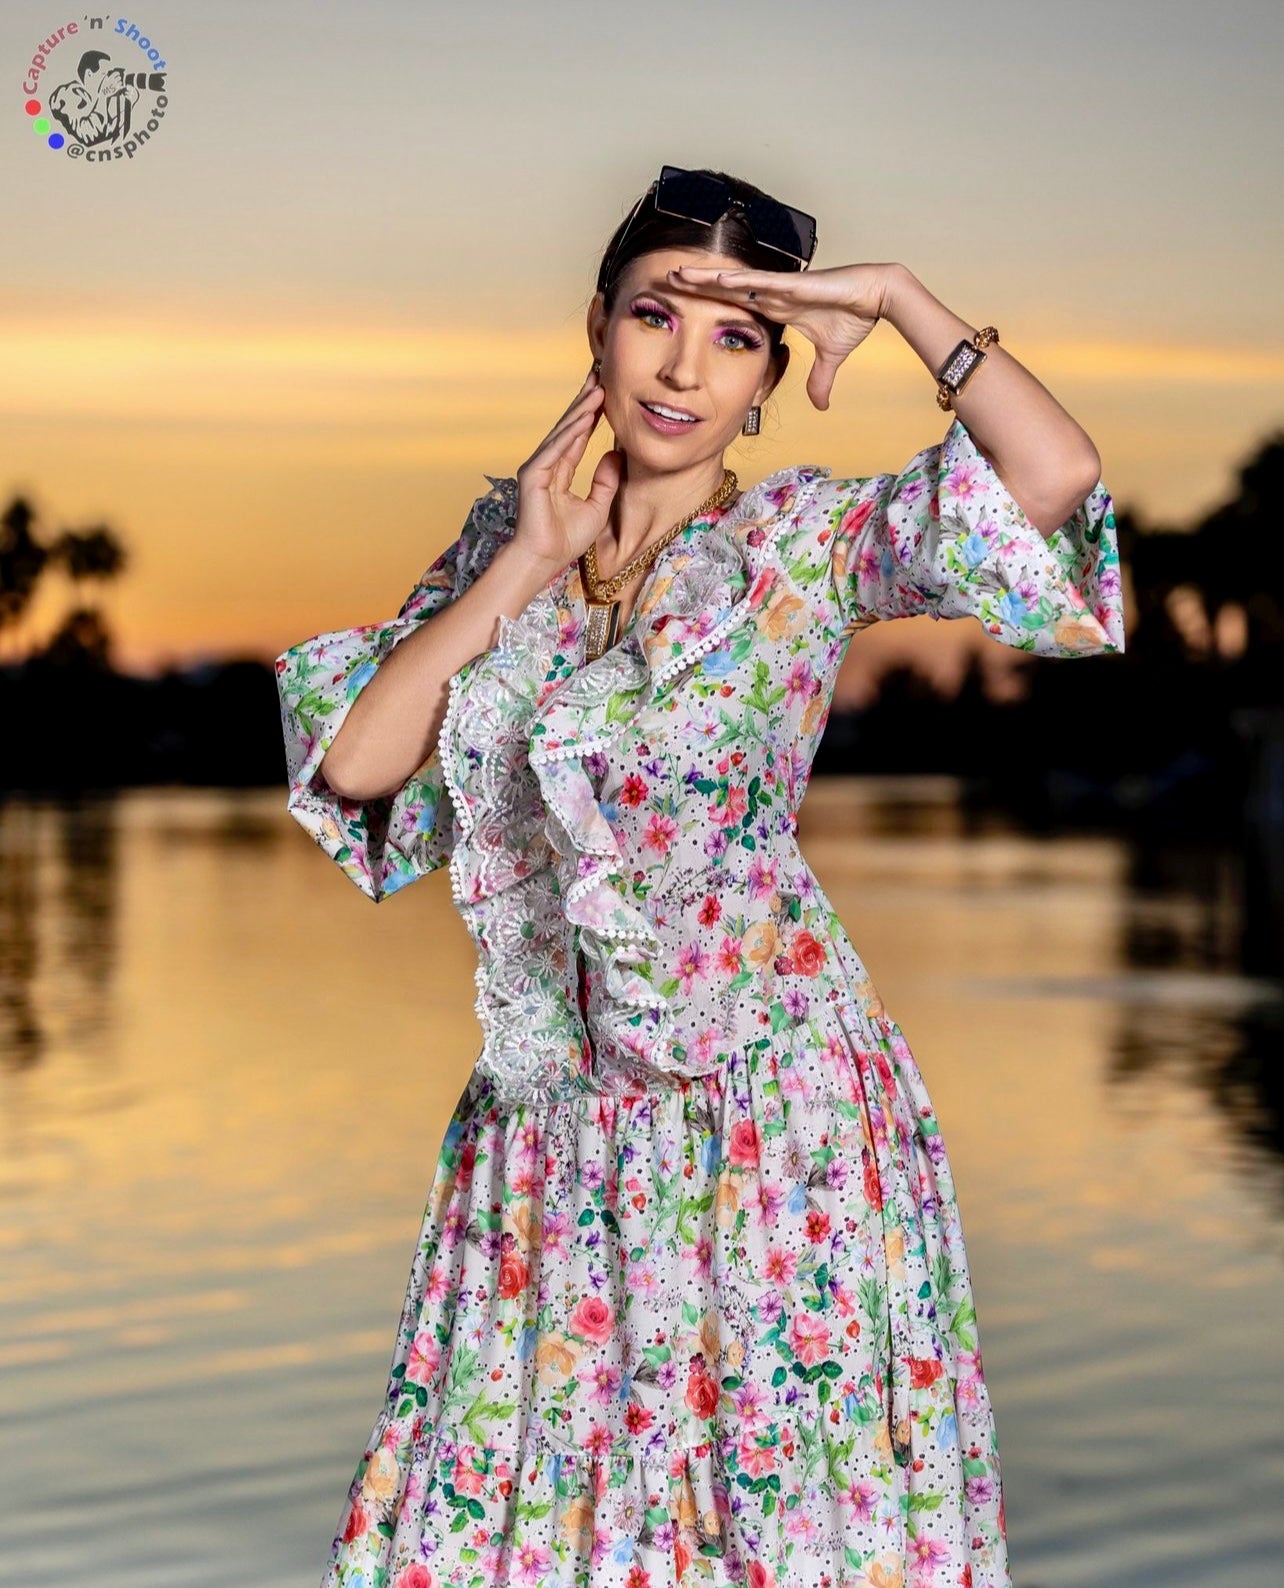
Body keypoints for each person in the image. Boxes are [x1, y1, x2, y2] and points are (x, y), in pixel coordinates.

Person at [275, 164, 1125, 1588]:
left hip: (772, 1126)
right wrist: (519, 570)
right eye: (657, 315)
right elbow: (356, 773)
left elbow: (1054, 481)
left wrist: (898, 298)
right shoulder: (509, 541)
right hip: (550, 1132)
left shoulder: (799, 551)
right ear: (595, 326)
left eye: (736, 336)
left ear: (771, 377)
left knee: (787, 1529)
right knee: (501, 1529)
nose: (682, 366)